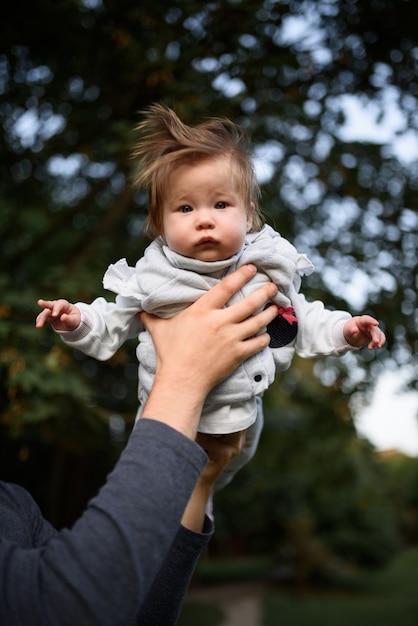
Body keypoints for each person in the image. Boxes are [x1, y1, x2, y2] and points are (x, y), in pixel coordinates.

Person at [36, 104, 386, 490]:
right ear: (160, 225)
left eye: (220, 204)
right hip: (169, 413)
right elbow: (112, 320)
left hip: (243, 409)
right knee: (163, 490)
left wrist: (346, 330)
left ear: (249, 216)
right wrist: (76, 319)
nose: (204, 218)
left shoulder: (266, 266)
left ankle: (206, 498)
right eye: (185, 208)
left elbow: (301, 316)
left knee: (223, 473)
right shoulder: (155, 278)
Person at [1, 266, 279, 625]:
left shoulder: (14, 507)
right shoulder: (154, 276)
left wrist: (201, 480)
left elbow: (141, 614)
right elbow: (69, 608)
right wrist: (184, 376)